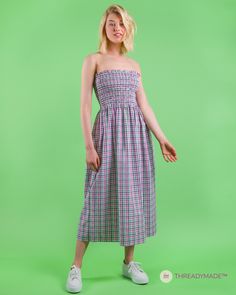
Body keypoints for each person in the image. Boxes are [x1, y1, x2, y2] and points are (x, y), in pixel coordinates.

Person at [66, 4, 178, 293]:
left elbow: (144, 105)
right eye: (113, 23)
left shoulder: (134, 65)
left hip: (136, 137)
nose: (118, 28)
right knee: (94, 199)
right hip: (107, 134)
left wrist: (162, 137)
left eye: (122, 24)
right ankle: (76, 266)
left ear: (127, 30)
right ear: (104, 26)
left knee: (132, 196)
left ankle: (129, 262)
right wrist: (89, 146)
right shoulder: (93, 60)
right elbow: (85, 105)